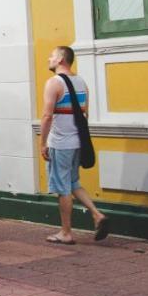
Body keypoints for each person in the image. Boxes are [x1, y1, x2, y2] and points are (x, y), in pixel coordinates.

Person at [39, 46, 108, 244]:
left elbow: (46, 116)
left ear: (61, 59)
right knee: (73, 182)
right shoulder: (82, 82)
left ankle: (66, 232)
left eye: (52, 55)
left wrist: (42, 143)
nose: (49, 58)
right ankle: (97, 214)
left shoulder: (54, 83)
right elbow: (85, 113)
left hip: (61, 143)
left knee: (63, 189)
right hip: (78, 141)